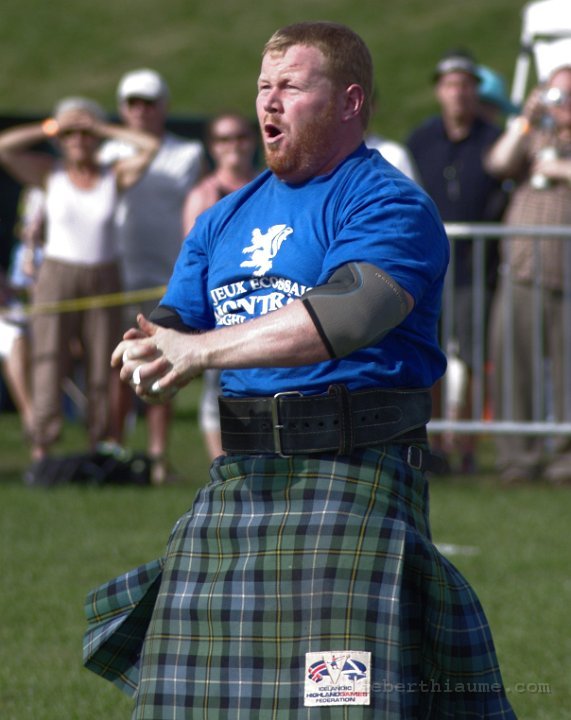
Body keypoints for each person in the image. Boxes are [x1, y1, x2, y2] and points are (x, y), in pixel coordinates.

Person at [88, 22, 516, 718]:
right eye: (264, 86)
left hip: (353, 479)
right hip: (241, 481)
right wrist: (151, 348)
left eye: (290, 85)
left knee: (338, 703)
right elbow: (174, 321)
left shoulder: (387, 202)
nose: (269, 101)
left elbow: (349, 313)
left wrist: (201, 351)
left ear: (349, 101)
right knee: (186, 696)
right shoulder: (223, 218)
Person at [0, 97, 159, 470]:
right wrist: (52, 127)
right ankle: (42, 444)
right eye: (71, 135)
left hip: (104, 275)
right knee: (49, 358)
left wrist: (99, 126)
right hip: (57, 276)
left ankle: (99, 444)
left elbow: (149, 147)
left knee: (103, 360)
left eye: (85, 134)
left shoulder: (112, 174)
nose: (79, 140)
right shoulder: (50, 173)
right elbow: (5, 148)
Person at [99, 68, 206, 484]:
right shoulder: (107, 153)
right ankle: (114, 449)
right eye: (132, 103)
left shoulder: (187, 153)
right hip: (116, 276)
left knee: (159, 365)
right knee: (114, 367)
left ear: (164, 106)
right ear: (122, 108)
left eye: (148, 103)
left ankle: (158, 455)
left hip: (166, 277)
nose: (140, 111)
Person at [406, 49, 508, 473]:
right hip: (431, 268)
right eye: (451, 85)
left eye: (466, 85)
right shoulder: (421, 140)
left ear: (475, 91)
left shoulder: (493, 138)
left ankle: (466, 445)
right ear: (439, 91)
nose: (459, 93)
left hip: (476, 267)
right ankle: (432, 443)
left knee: (474, 355)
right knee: (429, 354)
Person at [485, 63, 571, 485]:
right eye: (556, 94)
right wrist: (524, 119)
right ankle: (517, 457)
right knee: (513, 365)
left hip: (567, 274)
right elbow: (498, 163)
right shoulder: (532, 134)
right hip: (523, 269)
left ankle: (565, 461)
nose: (563, 104)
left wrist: (559, 171)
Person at [182, 111, 259, 461]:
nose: (234, 146)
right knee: (218, 384)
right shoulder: (203, 195)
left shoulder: (269, 188)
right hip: (221, 304)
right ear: (212, 147)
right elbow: (192, 258)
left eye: (241, 137)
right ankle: (221, 462)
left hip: (263, 300)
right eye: (225, 139)